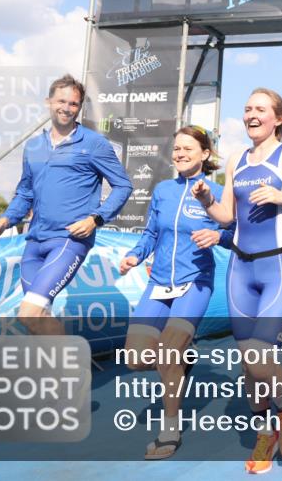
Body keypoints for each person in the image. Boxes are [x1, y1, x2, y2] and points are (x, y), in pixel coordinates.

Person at [193, 88, 282, 475]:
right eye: (248, 108)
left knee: (258, 353)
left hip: (279, 266)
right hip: (240, 268)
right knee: (247, 362)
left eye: (260, 109)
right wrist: (206, 199)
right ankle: (264, 432)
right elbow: (225, 216)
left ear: (278, 118)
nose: (251, 114)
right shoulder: (236, 158)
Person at [0, 74, 131, 335]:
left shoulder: (94, 143)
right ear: (48, 102)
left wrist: (96, 219)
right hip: (35, 241)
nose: (67, 108)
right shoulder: (34, 146)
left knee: (29, 311)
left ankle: (70, 371)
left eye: (74, 104)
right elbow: (25, 192)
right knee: (37, 319)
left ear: (79, 107)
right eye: (62, 101)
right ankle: (70, 372)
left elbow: (124, 185)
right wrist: (3, 222)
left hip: (69, 239)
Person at [118, 125, 232, 459]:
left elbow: (235, 232)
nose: (180, 154)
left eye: (188, 148)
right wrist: (135, 256)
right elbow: (151, 233)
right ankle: (187, 354)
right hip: (158, 284)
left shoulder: (218, 192)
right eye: (177, 148)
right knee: (136, 359)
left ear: (205, 154)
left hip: (195, 282)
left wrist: (218, 237)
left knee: (167, 355)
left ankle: (170, 431)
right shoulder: (164, 190)